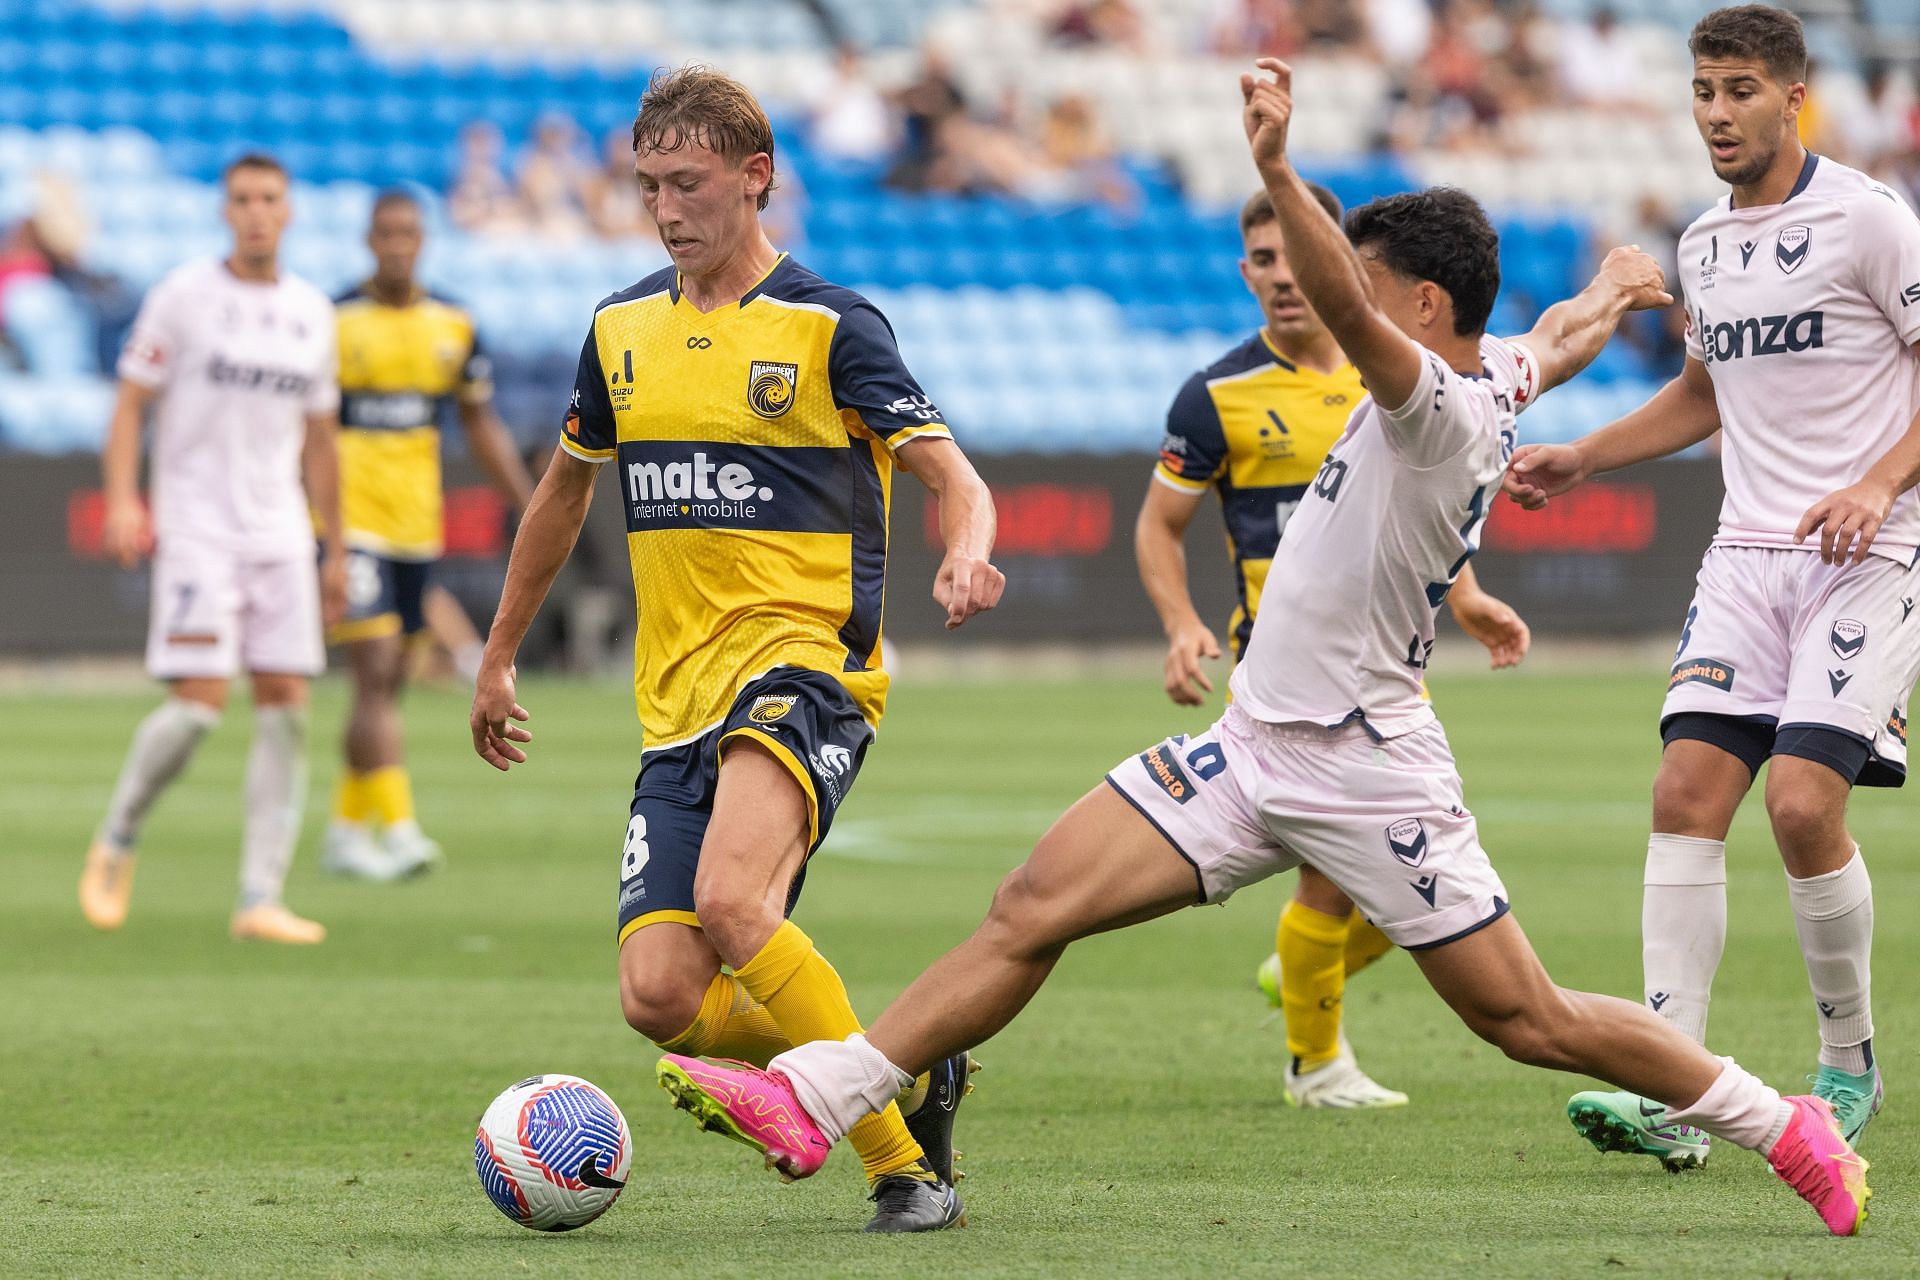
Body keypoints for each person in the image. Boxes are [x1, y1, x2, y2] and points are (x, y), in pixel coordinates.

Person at [654, 58, 1873, 1239]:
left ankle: (1787, 1125)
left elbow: (1356, 307)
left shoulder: (1434, 405)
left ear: (1419, 310)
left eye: (1361, 281)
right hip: (1250, 748)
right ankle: (823, 1098)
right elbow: (1554, 337)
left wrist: (1280, 165)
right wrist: (1612, 286)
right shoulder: (1491, 372)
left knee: (1529, 1015)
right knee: (1030, 904)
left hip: (1366, 765)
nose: (1332, 293)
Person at [467, 66, 1004, 1234]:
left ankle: (903, 1171)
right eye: (649, 184)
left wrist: (967, 546)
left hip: (808, 665)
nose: (666, 209)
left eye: (690, 183)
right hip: (677, 700)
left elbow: (953, 473)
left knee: (732, 903)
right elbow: (561, 497)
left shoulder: (830, 324)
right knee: (660, 995)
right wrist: (501, 650)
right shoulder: (619, 330)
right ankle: (905, 1065)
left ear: (757, 176)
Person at [1505, 4, 1920, 1168]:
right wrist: (1586, 452)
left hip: (1870, 554)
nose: (1717, 113)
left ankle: (1846, 1061)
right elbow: (1706, 394)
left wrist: (1880, 485)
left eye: (1739, 90)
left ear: (1794, 96)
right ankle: (1674, 1090)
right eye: (1702, 89)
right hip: (1746, 554)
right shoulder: (1702, 244)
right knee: (1685, 791)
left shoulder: (1873, 221)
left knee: (1799, 804)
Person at [1136, 182, 1530, 1109]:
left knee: (1407, 881)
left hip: (1386, 661)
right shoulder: (1216, 395)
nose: (1282, 278)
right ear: (1246, 272)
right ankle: (1316, 1063)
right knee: (1345, 875)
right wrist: (1181, 622)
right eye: (1263, 262)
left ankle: (1304, 983)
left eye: (1294, 257)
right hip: (1287, 677)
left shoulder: (1391, 373)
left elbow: (1417, 525)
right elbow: (1158, 526)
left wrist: (1466, 600)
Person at [78, 153, 346, 944]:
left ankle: (259, 897)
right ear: (225, 211)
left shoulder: (311, 312)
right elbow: (130, 405)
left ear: (289, 211)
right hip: (198, 527)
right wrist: (127, 497)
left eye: (270, 199)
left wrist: (333, 546)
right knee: (198, 708)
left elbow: (321, 440)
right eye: (242, 200)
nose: (257, 212)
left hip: (280, 533)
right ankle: (119, 835)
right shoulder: (183, 297)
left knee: (287, 713)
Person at [321, 190, 534, 880]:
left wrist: (530, 506)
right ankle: (402, 828)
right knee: (377, 671)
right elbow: (310, 431)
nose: (396, 245)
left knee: (387, 685)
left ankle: (347, 830)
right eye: (385, 233)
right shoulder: (335, 322)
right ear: (368, 240)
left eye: (408, 233)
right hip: (351, 525)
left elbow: (480, 423)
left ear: (424, 240)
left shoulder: (453, 323)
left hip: (417, 526)